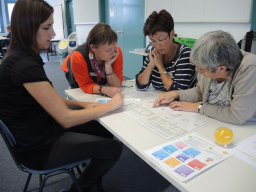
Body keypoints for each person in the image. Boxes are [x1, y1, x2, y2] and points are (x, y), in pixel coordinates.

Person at [0, 1, 124, 192]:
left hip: (39, 130)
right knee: (114, 149)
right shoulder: (23, 65)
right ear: (27, 28)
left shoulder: (23, 56)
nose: (54, 34)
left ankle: (92, 180)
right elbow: (65, 119)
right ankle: (77, 189)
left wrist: (82, 105)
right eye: (46, 27)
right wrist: (110, 105)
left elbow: (50, 99)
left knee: (103, 132)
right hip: (38, 148)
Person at [153, 30, 256, 125]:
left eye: (201, 68)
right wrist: (176, 94)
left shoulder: (249, 69)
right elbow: (200, 91)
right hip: (215, 122)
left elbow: (237, 116)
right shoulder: (211, 63)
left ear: (221, 68)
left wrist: (197, 107)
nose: (197, 70)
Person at [136, 9, 197, 92]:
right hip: (159, 99)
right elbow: (140, 85)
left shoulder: (185, 54)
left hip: (183, 102)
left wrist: (160, 66)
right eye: (153, 41)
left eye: (161, 39)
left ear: (172, 34)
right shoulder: (153, 52)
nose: (157, 46)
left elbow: (177, 92)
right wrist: (151, 65)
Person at [62, 23, 123, 98]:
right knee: (80, 94)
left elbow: (116, 84)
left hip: (93, 66)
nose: (113, 53)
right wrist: (102, 89)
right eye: (108, 50)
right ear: (93, 47)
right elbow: (85, 85)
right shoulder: (79, 56)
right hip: (73, 65)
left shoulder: (116, 52)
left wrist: (108, 66)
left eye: (114, 47)